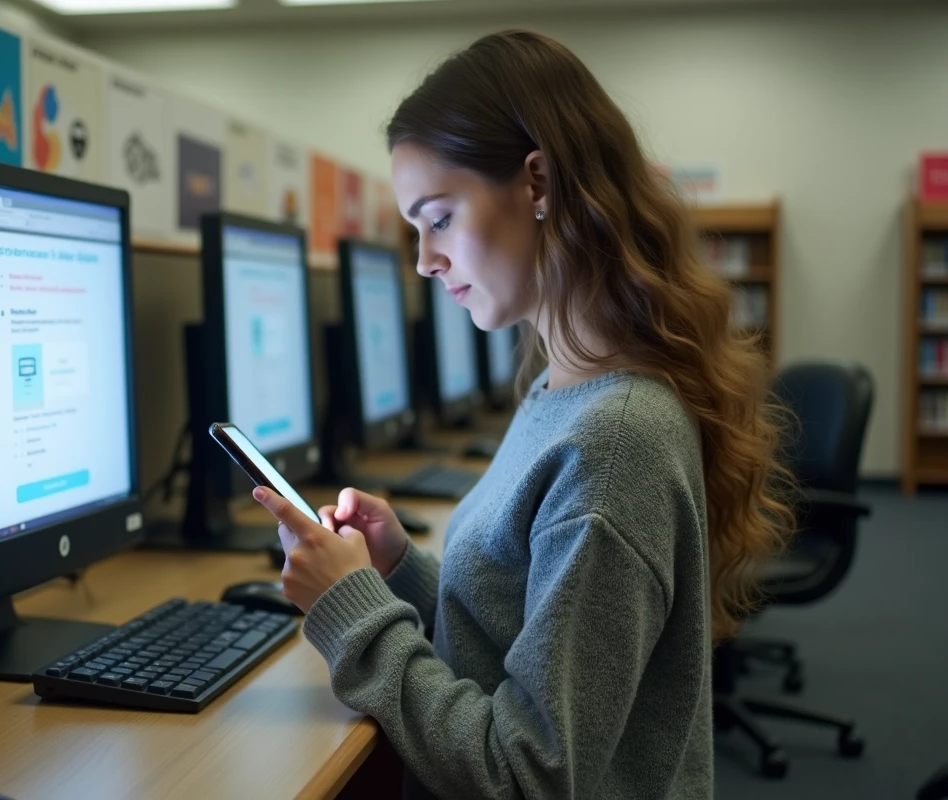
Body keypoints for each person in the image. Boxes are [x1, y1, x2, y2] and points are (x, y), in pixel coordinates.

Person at [252, 29, 792, 800]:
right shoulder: (561, 388)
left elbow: (527, 774)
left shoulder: (614, 443)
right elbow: (517, 630)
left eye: (437, 219)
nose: (423, 261)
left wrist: (352, 614)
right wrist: (398, 571)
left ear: (537, 183)